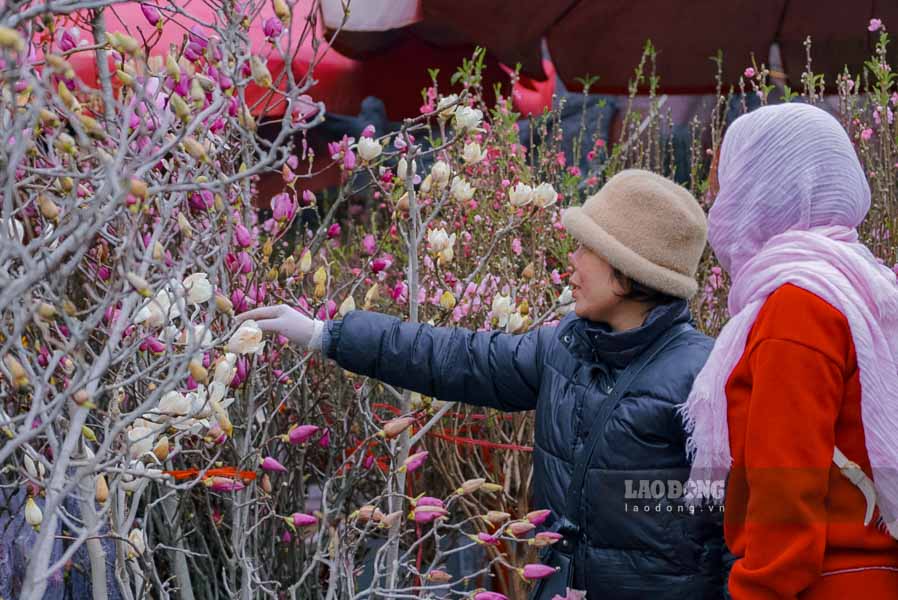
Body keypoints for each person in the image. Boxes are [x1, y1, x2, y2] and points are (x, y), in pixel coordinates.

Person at [238, 169, 727, 597]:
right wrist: (328, 335)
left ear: (627, 270)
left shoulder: (703, 380)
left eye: (587, 248)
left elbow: (740, 533)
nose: (571, 259)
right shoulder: (567, 348)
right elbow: (459, 357)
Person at [680, 103, 898, 598]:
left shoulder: (798, 307)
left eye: (728, 182)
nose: (717, 202)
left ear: (762, 188)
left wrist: (758, 590)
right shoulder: (864, 287)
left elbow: (786, 495)